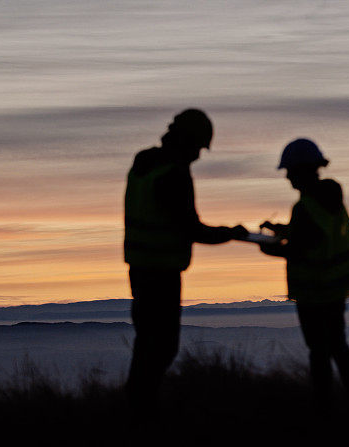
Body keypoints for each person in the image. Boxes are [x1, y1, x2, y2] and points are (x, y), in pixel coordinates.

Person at [123, 109, 248, 419]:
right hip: (162, 273)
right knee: (162, 348)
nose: (198, 155)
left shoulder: (143, 164)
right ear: (187, 141)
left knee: (146, 344)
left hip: (139, 269)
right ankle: (141, 413)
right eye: (198, 147)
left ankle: (135, 411)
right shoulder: (174, 173)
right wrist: (231, 233)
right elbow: (192, 229)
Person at [260, 138, 349, 411]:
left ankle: (324, 410)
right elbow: (316, 235)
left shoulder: (305, 206)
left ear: (302, 170)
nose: (287, 177)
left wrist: (270, 250)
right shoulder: (329, 199)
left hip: (314, 293)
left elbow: (301, 248)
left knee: (319, 353)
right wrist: (281, 230)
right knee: (338, 347)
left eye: (290, 171)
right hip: (334, 290)